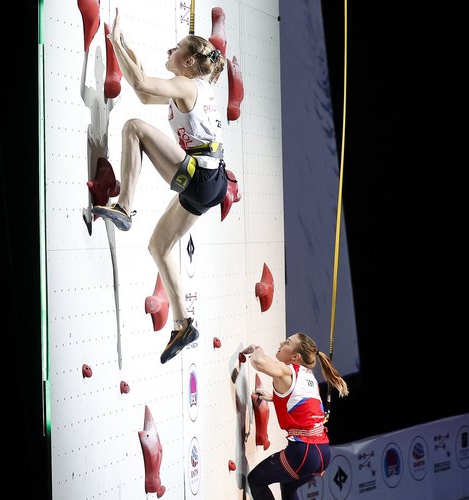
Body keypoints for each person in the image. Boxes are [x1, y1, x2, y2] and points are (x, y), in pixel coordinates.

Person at [94, 8, 230, 364]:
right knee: (159, 246)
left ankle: (125, 206)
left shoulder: (186, 85)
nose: (169, 51)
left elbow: (140, 83)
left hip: (200, 174)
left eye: (176, 48)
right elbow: (142, 89)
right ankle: (184, 323)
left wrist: (114, 40)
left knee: (134, 129)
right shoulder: (193, 88)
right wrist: (120, 43)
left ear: (187, 62)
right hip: (210, 181)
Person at [241, 332, 350, 499]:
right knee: (288, 486)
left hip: (304, 452)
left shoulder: (288, 371)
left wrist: (257, 348)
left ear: (295, 356)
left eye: (286, 342)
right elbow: (301, 405)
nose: (281, 343)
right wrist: (273, 397)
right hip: (322, 453)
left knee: (256, 480)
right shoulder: (309, 378)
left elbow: (258, 361)